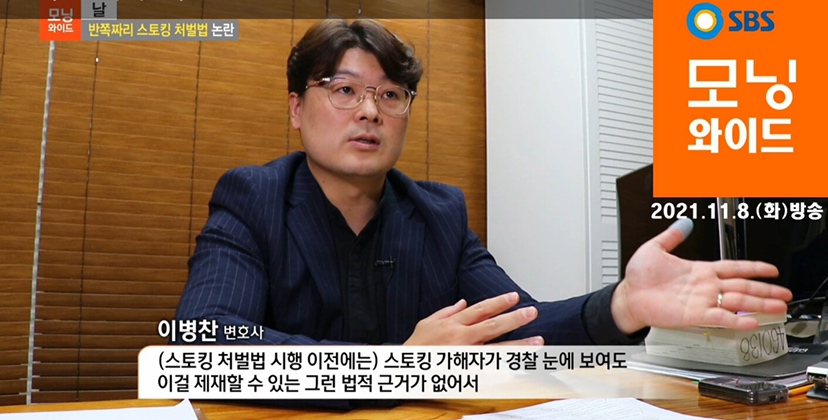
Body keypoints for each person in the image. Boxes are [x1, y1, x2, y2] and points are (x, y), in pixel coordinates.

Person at [174, 19, 791, 349]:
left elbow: (519, 325)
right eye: (344, 90)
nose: (369, 111)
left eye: (390, 95)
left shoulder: (438, 214)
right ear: (296, 108)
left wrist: (622, 304)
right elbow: (206, 340)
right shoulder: (253, 198)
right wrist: (400, 367)